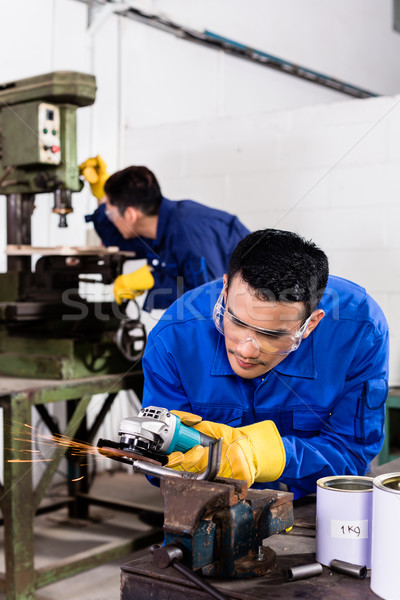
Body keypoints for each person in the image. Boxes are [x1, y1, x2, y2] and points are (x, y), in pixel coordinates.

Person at [141, 229, 389, 499]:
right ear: (225, 290)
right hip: (208, 509)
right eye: (236, 321)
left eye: (271, 334)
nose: (246, 350)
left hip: (315, 509)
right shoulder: (174, 338)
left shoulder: (359, 331)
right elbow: (158, 466)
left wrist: (270, 456)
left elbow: (351, 454)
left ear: (311, 324)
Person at [81, 157, 250, 311]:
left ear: (131, 215)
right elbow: (117, 240)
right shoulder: (156, 227)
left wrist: (154, 280)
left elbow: (211, 298)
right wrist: (102, 195)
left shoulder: (188, 232)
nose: (110, 218)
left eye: (111, 214)